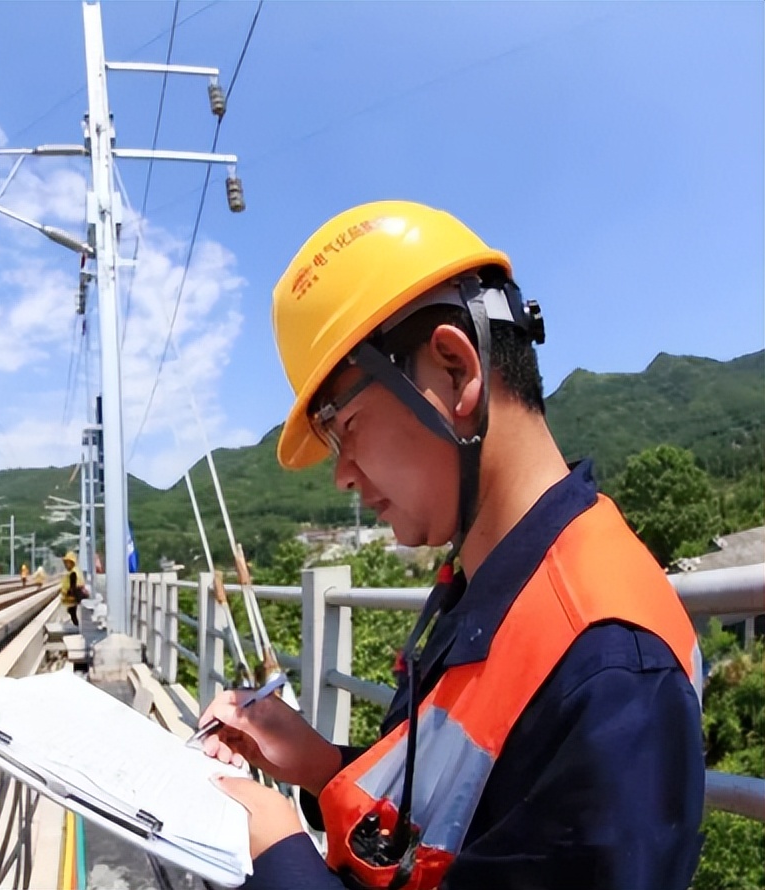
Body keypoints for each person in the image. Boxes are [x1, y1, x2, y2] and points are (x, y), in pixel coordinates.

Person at [201, 201, 704, 890]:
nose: (343, 472)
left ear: (454, 369)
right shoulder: (489, 586)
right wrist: (321, 764)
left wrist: (277, 850)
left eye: (346, 428)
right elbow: (458, 818)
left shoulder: (611, 672)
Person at [58, 551, 87, 627]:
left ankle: (75, 628)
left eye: (66, 563)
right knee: (72, 615)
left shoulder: (73, 573)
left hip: (73, 601)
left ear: (71, 562)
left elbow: (74, 587)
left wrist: (66, 592)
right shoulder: (74, 571)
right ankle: (76, 627)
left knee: (73, 617)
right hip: (73, 601)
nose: (65, 565)